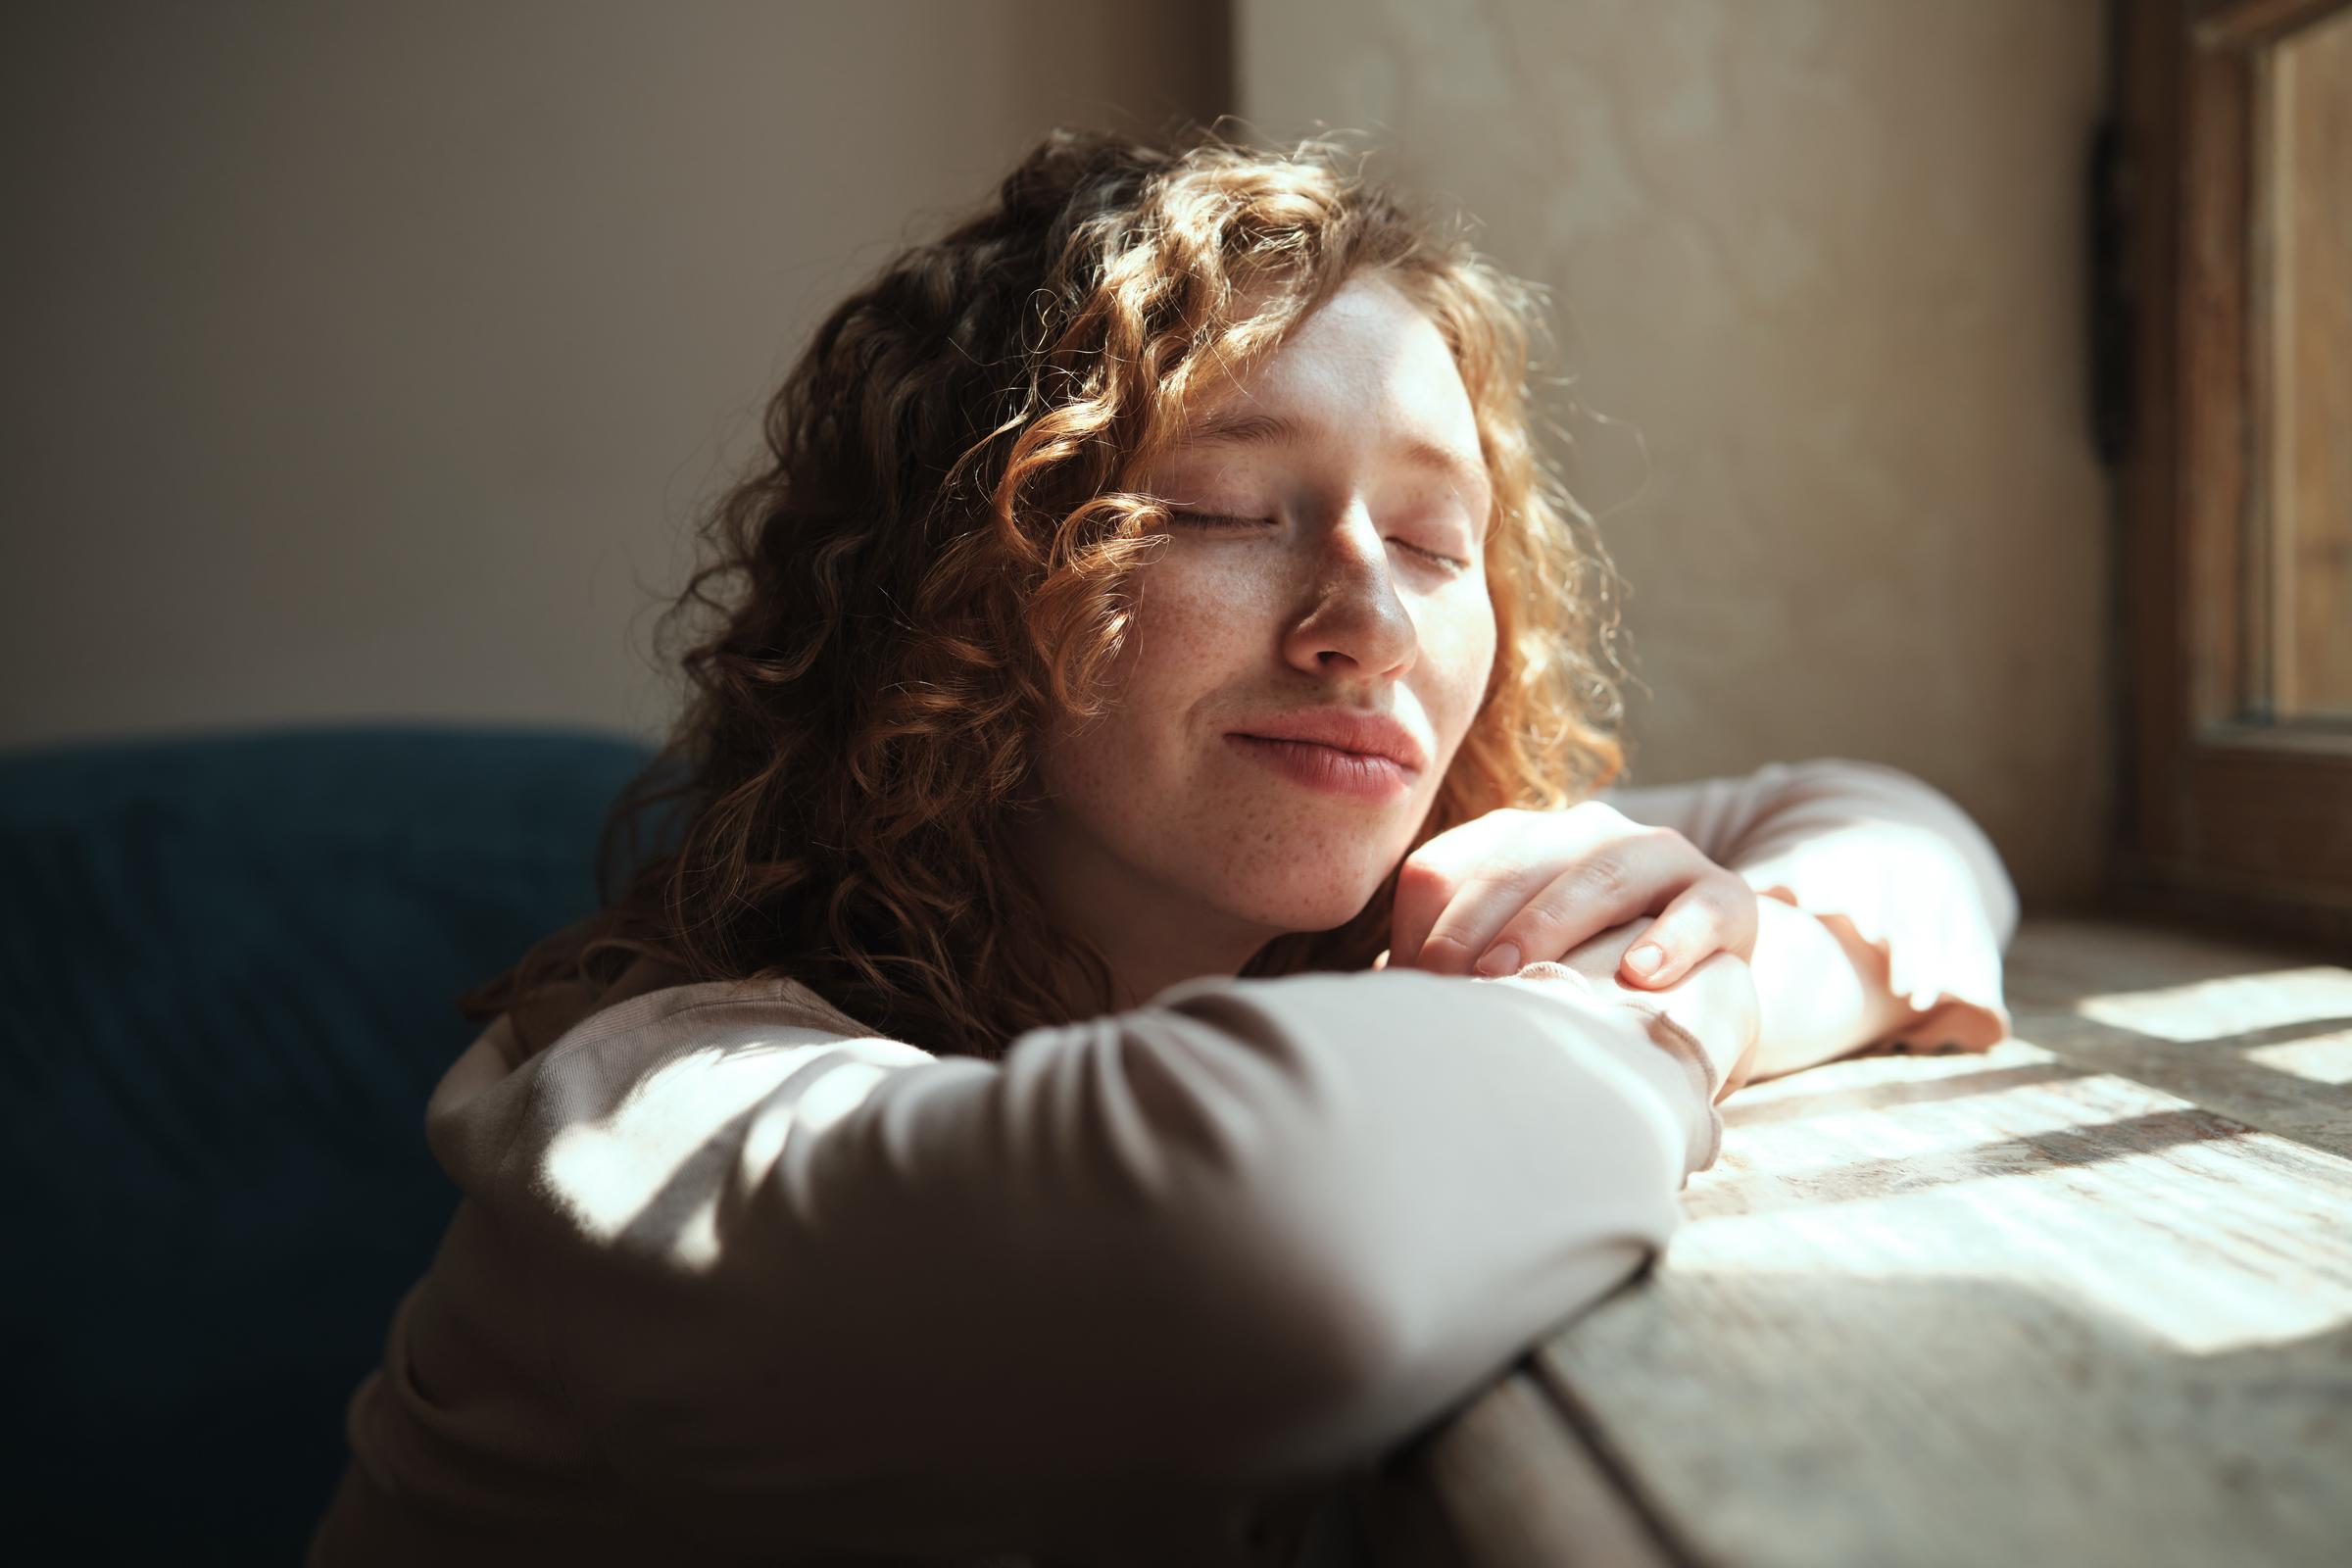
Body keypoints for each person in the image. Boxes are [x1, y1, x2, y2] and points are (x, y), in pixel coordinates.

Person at [309, 127, 2016, 1567]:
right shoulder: (638, 1129)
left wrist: (1749, 950)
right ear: (952, 594)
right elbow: (1275, 1244)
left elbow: (1894, 827)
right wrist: (1677, 1005)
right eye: (1217, 512)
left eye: (1435, 540)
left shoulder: (1373, 907)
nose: (1370, 623)